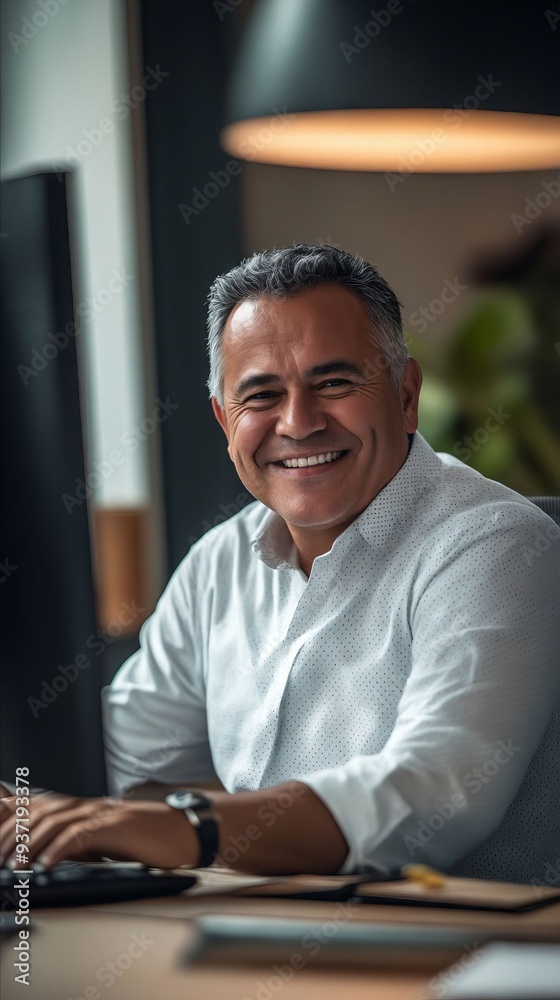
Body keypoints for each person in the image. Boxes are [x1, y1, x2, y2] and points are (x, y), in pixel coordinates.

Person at [1, 244, 559, 882]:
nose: (297, 422)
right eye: (262, 394)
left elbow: (431, 795)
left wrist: (192, 827)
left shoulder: (497, 544)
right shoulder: (219, 563)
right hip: (258, 932)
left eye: (334, 383)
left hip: (458, 954)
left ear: (406, 396)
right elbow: (120, 756)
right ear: (223, 419)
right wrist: (31, 800)